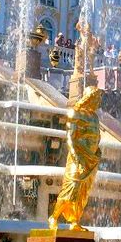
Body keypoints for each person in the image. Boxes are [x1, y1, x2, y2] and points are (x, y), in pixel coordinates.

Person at [48, 86, 104, 231]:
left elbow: (97, 137)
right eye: (97, 98)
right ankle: (54, 217)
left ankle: (74, 221)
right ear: (90, 98)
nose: (99, 102)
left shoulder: (94, 117)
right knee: (71, 188)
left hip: (91, 159)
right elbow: (70, 138)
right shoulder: (76, 113)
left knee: (83, 192)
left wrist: (97, 152)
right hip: (78, 157)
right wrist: (76, 156)